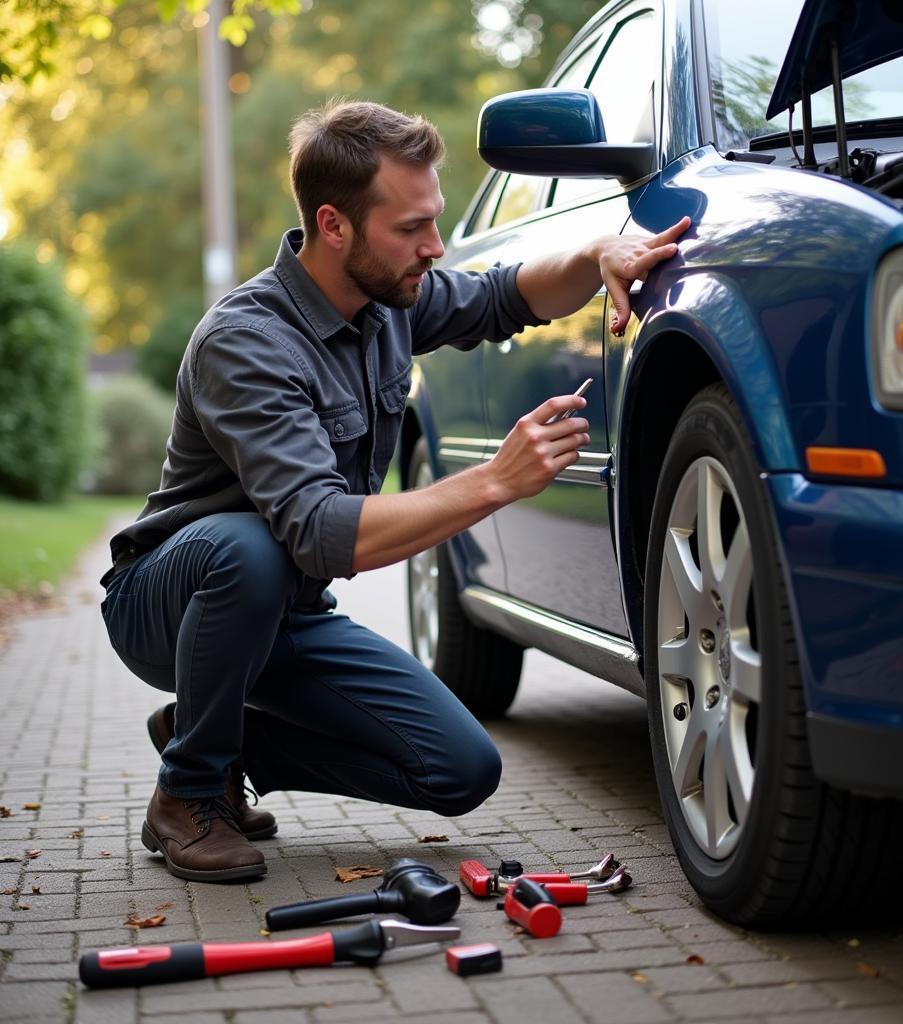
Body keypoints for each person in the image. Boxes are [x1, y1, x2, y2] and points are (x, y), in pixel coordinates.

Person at [99, 99, 689, 882]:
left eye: (434, 221)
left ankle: (209, 737)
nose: (434, 246)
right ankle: (190, 792)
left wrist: (600, 254)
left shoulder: (385, 304)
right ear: (334, 225)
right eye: (411, 228)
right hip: (167, 604)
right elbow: (320, 533)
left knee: (461, 770)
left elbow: (508, 296)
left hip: (287, 611)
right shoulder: (247, 342)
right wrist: (494, 481)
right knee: (249, 548)